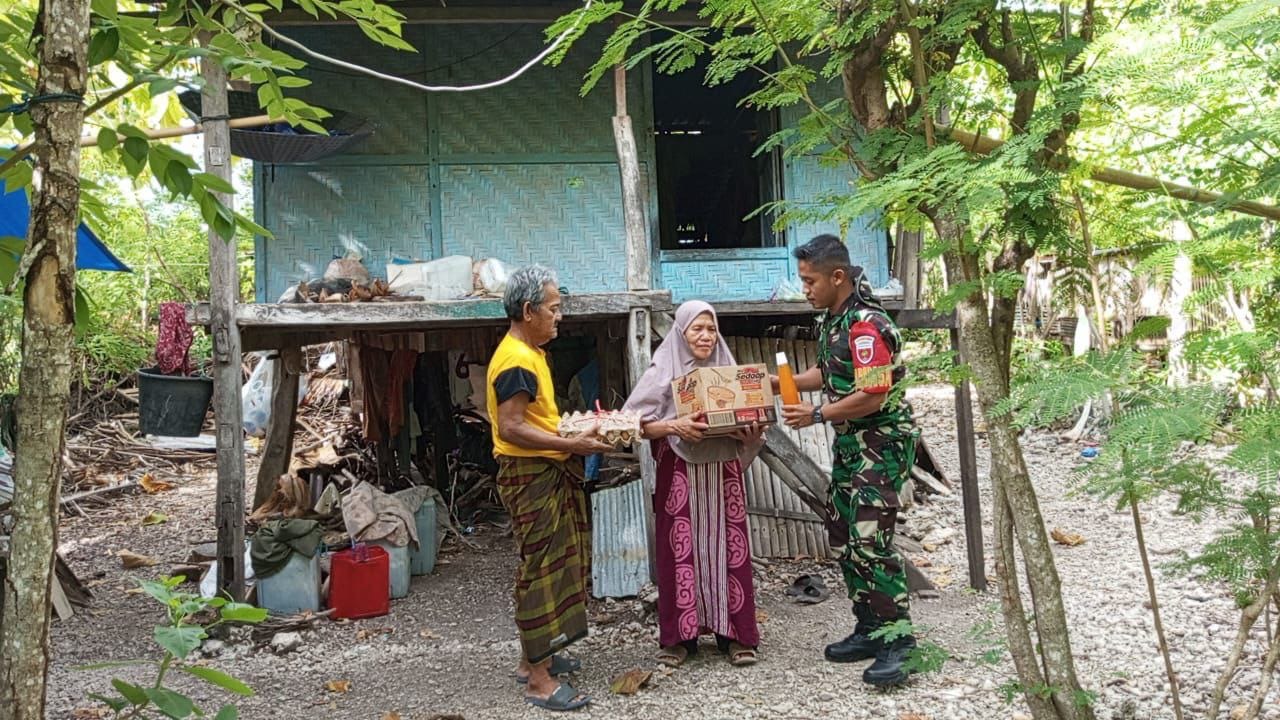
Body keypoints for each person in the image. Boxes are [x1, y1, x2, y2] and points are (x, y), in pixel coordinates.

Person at [777, 234, 920, 687]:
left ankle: (901, 643)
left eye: (810, 280)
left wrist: (816, 411)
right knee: (842, 533)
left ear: (837, 276)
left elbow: (873, 393)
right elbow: (832, 371)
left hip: (880, 443)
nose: (805, 289)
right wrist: (785, 383)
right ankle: (871, 627)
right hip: (853, 446)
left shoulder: (867, 325)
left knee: (870, 540)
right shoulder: (835, 320)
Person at [487, 265, 612, 712]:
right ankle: (538, 681)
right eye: (554, 309)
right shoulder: (517, 360)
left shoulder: (531, 351)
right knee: (541, 567)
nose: (559, 317)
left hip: (546, 469)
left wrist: (574, 432)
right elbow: (512, 426)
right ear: (528, 310)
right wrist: (570, 442)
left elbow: (532, 419)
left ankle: (534, 658)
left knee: (558, 559)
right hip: (530, 474)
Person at [623, 301, 765, 668]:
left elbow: (751, 413)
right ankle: (678, 639)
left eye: (710, 328)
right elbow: (633, 422)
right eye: (697, 329)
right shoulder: (663, 368)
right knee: (679, 550)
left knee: (729, 548)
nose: (705, 336)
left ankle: (734, 635)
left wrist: (750, 431)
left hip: (723, 471)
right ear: (681, 333)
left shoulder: (727, 369)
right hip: (680, 471)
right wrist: (675, 426)